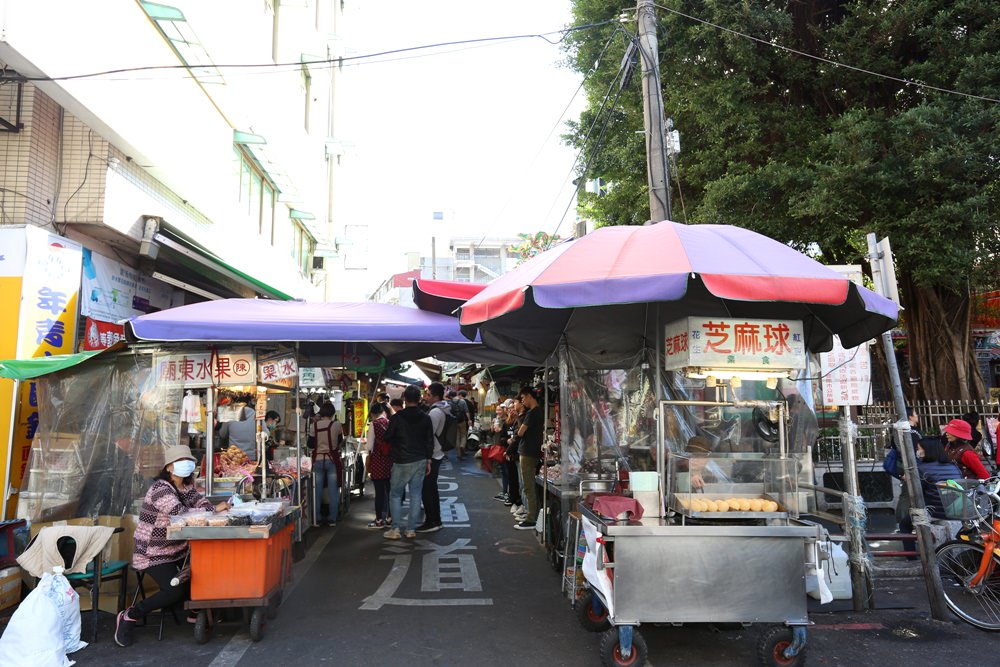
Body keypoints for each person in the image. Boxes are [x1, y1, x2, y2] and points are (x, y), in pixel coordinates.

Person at [115, 445, 227, 647]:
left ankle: (195, 610)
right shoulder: (160, 489)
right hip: (153, 553)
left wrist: (215, 509)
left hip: (179, 551)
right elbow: (179, 513)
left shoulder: (187, 486)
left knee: (208, 568)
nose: (186, 464)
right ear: (168, 467)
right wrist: (214, 511)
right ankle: (130, 615)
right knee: (173, 591)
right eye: (180, 461)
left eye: (188, 460)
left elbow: (201, 504)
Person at [383, 385, 434, 540]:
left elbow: (387, 437)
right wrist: (429, 460)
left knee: (396, 494)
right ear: (419, 399)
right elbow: (429, 440)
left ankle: (396, 528)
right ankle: (411, 529)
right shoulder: (426, 417)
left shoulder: (397, 417)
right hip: (420, 460)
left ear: (404, 399)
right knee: (416, 494)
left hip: (401, 460)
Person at [419, 382, 450, 533]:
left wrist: (427, 458)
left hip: (433, 455)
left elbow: (427, 436)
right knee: (431, 488)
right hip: (438, 453)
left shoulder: (435, 412)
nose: (426, 397)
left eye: (429, 395)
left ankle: (432, 521)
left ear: (436, 396)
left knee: (428, 489)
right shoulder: (442, 409)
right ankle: (434, 519)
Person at [513, 387, 544, 530]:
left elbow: (520, 432)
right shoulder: (537, 412)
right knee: (529, 486)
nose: (522, 401)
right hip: (531, 451)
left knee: (528, 486)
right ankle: (532, 514)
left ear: (530, 396)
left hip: (528, 452)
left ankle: (532, 518)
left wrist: (519, 418)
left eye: (523, 398)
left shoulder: (532, 413)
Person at [310, 403, 343, 527]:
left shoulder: (314, 426)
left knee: (317, 490)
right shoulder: (337, 425)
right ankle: (332, 518)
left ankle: (317, 518)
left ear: (321, 413)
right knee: (333, 490)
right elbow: (340, 441)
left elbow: (310, 444)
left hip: (318, 460)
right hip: (332, 460)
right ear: (332, 413)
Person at [366, 402, 393, 529]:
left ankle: (379, 520)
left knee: (379, 493)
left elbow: (369, 446)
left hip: (377, 460)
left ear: (372, 414)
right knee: (390, 491)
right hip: (390, 461)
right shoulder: (389, 422)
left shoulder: (374, 424)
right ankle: (390, 518)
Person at [448, 389, 471, 459]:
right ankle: (462, 445)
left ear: (451, 396)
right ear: (456, 394)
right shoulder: (462, 401)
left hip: (454, 421)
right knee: (463, 435)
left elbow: (448, 413)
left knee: (457, 437)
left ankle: (459, 454)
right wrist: (469, 420)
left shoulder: (449, 403)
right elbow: (467, 411)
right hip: (462, 420)